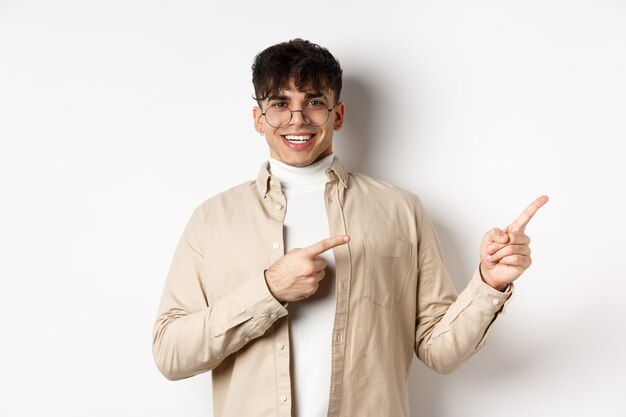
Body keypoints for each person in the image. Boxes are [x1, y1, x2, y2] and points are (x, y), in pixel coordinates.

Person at [152, 38, 548, 417]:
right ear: (259, 118)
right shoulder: (212, 219)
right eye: (279, 104)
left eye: (314, 103)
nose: (297, 119)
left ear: (337, 115)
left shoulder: (400, 210)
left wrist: (488, 284)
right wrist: (269, 289)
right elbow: (171, 354)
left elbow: (439, 353)